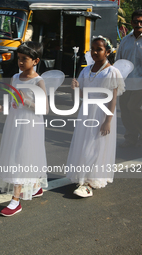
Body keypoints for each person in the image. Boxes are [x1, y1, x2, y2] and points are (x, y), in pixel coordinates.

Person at [0, 41, 48, 217]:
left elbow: (45, 109)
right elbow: (12, 100)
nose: (20, 62)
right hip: (14, 122)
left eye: (25, 59)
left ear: (35, 60)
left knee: (22, 157)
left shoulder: (39, 81)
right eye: (19, 59)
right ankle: (36, 186)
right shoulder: (16, 78)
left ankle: (15, 201)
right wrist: (2, 108)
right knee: (18, 155)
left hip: (30, 125)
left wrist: (26, 100)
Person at [67, 36, 125, 197]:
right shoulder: (86, 70)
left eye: (98, 49)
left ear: (107, 52)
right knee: (84, 143)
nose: (94, 52)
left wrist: (108, 120)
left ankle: (89, 183)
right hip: (86, 112)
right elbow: (81, 96)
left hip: (101, 113)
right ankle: (83, 177)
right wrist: (75, 89)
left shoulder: (112, 72)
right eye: (92, 49)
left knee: (95, 146)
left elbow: (113, 98)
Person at [116, 9, 142, 148]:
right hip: (125, 83)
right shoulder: (125, 40)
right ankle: (130, 137)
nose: (138, 24)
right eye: (136, 21)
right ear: (131, 22)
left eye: (141, 21)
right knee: (125, 110)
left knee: (133, 107)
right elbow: (119, 61)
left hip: (140, 83)